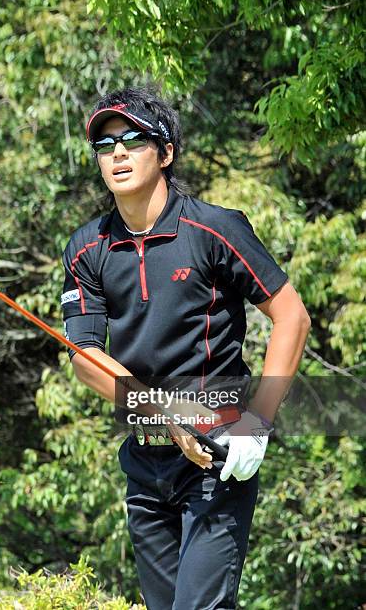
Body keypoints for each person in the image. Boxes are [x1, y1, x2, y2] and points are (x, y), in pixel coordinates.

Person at [60, 88, 310, 610]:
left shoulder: (215, 228)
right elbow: (85, 358)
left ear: (166, 152)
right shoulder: (87, 248)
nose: (118, 154)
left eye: (133, 139)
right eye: (105, 146)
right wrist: (158, 411)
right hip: (144, 463)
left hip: (216, 456)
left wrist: (257, 424)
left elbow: (292, 317)